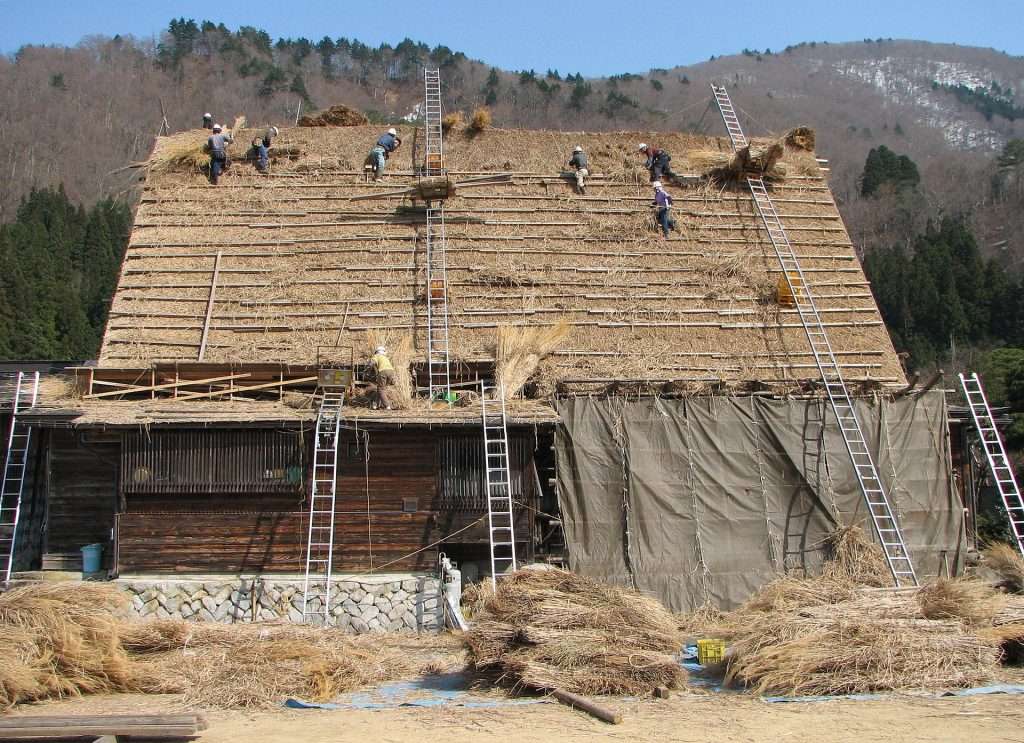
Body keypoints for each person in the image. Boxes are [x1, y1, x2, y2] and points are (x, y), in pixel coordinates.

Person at [369, 345, 396, 410]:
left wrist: (369, 366)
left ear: (377, 352)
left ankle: (387, 406)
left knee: (381, 390)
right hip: (391, 372)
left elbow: (372, 362)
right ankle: (375, 405)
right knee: (381, 389)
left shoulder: (377, 356)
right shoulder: (385, 358)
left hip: (383, 372)